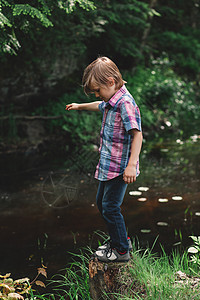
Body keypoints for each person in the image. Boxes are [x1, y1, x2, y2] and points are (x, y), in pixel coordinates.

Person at [66, 56, 143, 262]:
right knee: (102, 203)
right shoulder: (111, 100)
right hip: (108, 165)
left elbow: (138, 134)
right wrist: (80, 106)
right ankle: (120, 239)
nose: (98, 95)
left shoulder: (125, 103)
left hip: (120, 168)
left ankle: (121, 251)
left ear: (110, 81)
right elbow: (98, 105)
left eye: (98, 90)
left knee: (110, 206)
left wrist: (131, 165)